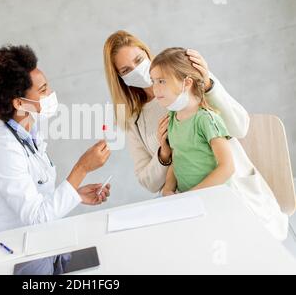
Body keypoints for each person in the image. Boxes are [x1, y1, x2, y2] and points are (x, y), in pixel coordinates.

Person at [103, 30, 287, 240]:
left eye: (139, 60)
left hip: (230, 195)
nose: (137, 70)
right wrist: (164, 154)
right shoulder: (133, 118)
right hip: (189, 205)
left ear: (147, 53)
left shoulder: (190, 76)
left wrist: (208, 85)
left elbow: (240, 127)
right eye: (127, 70)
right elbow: (151, 180)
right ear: (119, 78)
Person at [0, 45, 111, 236]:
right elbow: (37, 217)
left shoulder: (30, 131)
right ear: (19, 103)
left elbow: (38, 198)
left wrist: (75, 196)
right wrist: (82, 168)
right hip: (3, 248)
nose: (50, 94)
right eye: (43, 90)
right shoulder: (3, 150)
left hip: (31, 238)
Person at [150, 47, 234, 196]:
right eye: (153, 81)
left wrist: (192, 196)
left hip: (216, 198)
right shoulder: (172, 119)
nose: (155, 88)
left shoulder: (206, 119)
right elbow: (178, 158)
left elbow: (227, 167)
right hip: (188, 198)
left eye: (161, 81)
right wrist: (168, 189)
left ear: (187, 83)